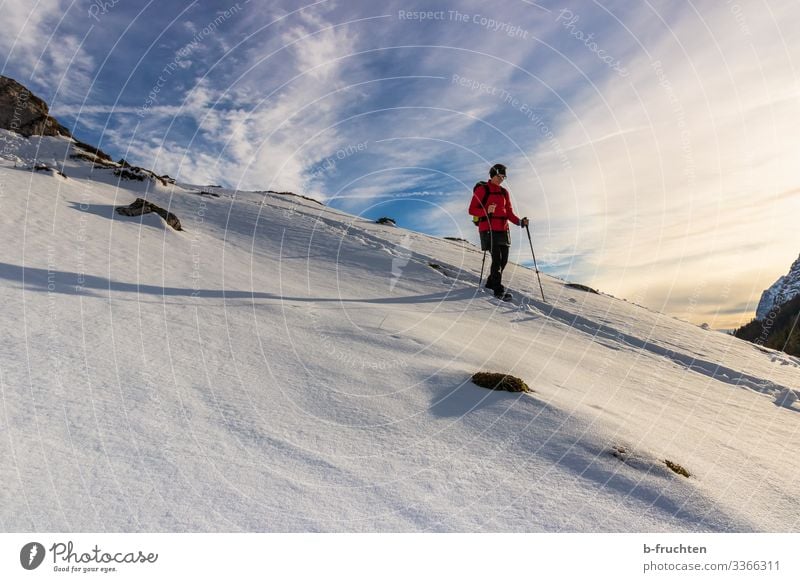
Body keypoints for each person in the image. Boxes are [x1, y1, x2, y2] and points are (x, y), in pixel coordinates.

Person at [468, 163, 529, 298]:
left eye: (503, 177)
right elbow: (471, 210)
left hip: (503, 229)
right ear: (492, 175)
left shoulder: (504, 192)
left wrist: (520, 222)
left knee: (504, 261)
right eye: (499, 176)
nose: (501, 179)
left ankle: (491, 282)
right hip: (488, 229)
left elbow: (509, 212)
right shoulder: (482, 190)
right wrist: (486, 211)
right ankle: (498, 290)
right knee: (497, 259)